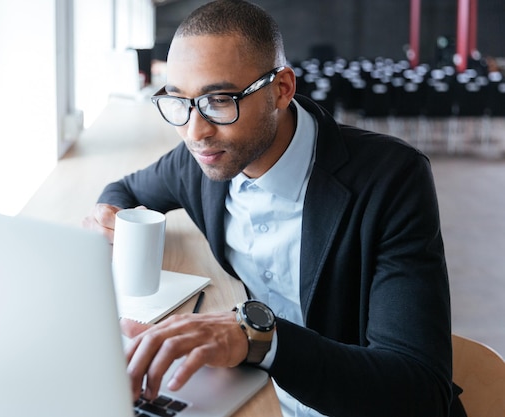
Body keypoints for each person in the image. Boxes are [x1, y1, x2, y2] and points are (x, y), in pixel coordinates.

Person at [83, 1, 465, 416]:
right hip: (251, 394)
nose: (195, 132)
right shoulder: (200, 159)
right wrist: (111, 220)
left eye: (219, 100)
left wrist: (258, 338)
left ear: (281, 89)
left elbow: (421, 391)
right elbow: (125, 189)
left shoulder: (392, 178)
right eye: (179, 101)